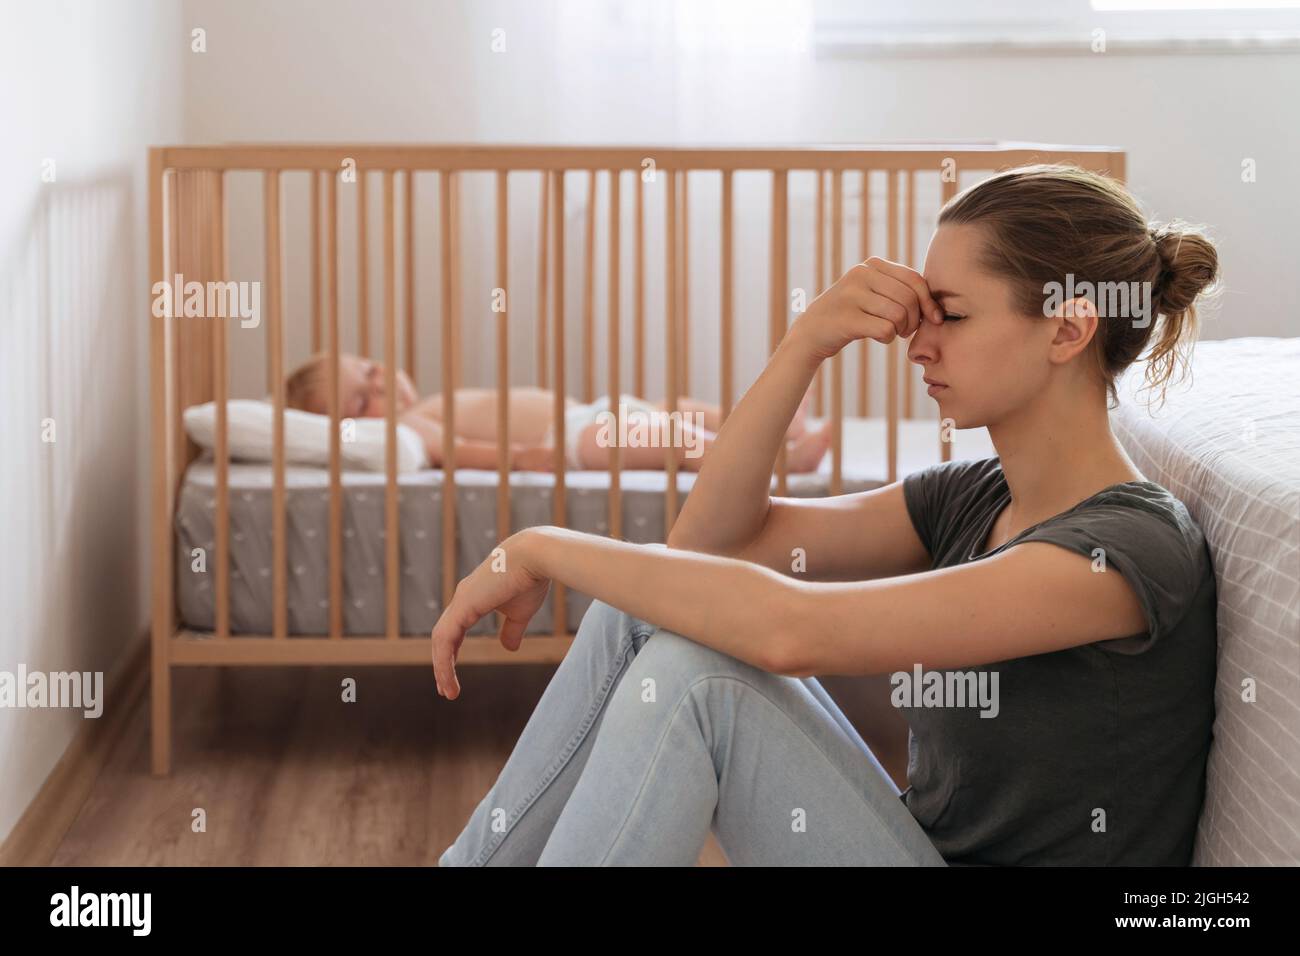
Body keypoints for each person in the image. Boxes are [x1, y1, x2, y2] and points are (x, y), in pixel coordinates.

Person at [431, 163, 1222, 866]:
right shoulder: (973, 497)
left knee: (695, 677)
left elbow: (792, 631)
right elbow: (711, 546)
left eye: (953, 313)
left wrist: (540, 546)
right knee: (635, 616)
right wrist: (804, 344)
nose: (918, 343)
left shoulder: (1125, 550)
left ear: (1068, 329)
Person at [284, 353, 831, 472]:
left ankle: (777, 431)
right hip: (570, 435)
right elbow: (456, 451)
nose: (382, 384)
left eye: (370, 370)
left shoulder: (420, 403)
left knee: (679, 410)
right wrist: (525, 457)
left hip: (588, 413)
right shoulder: (408, 427)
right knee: (671, 434)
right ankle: (771, 466)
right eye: (363, 400)